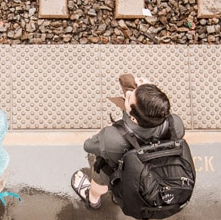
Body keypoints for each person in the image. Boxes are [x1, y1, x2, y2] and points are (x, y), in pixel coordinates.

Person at [71, 74, 175, 209]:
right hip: (150, 173)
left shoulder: (112, 138)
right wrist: (149, 95)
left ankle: (93, 200)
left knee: (101, 180)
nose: (129, 93)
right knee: (122, 190)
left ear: (133, 119)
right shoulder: (175, 124)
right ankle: (117, 198)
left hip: (119, 172)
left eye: (130, 98)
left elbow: (88, 146)